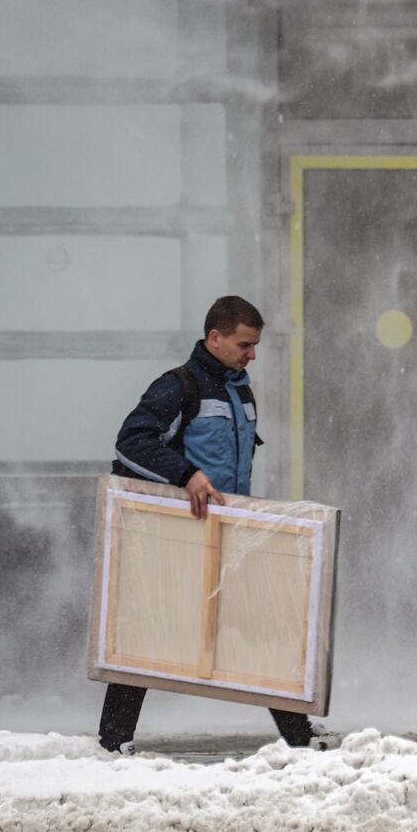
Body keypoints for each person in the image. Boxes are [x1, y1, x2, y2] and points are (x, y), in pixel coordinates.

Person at [98, 295, 335, 755]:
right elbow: (131, 443)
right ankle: (113, 741)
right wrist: (186, 475)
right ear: (216, 337)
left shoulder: (240, 389)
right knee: (152, 630)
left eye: (255, 345)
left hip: (230, 533)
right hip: (183, 536)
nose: (252, 355)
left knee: (263, 625)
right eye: (245, 344)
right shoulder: (177, 387)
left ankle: (299, 737)